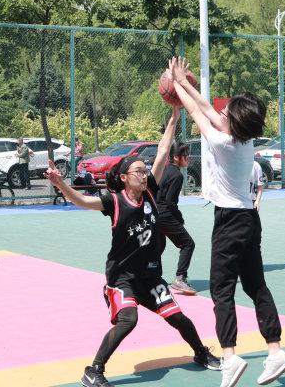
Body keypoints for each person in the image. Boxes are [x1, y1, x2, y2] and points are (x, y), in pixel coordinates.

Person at [45, 105, 221, 387]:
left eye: (144, 171)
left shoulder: (150, 192)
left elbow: (162, 152)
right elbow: (81, 200)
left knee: (178, 317)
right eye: (138, 171)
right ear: (124, 178)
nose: (144, 174)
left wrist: (174, 117)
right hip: (122, 278)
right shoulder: (114, 201)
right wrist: (60, 183)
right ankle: (94, 370)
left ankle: (201, 353)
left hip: (150, 277)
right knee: (128, 319)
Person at [168, 56, 285, 387]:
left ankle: (229, 357)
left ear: (232, 123)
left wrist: (178, 82)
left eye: (225, 113)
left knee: (221, 290)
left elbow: (197, 112)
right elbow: (207, 108)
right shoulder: (244, 139)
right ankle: (275, 350)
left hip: (229, 221)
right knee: (256, 286)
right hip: (249, 218)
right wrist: (187, 84)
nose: (220, 112)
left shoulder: (222, 142)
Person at [152, 120, 199, 296]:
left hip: (154, 214)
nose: (188, 158)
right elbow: (170, 202)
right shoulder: (177, 175)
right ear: (176, 157)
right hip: (164, 214)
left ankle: (147, 275)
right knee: (188, 244)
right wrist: (179, 218)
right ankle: (180, 278)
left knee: (158, 247)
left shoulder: (163, 170)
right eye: (185, 155)